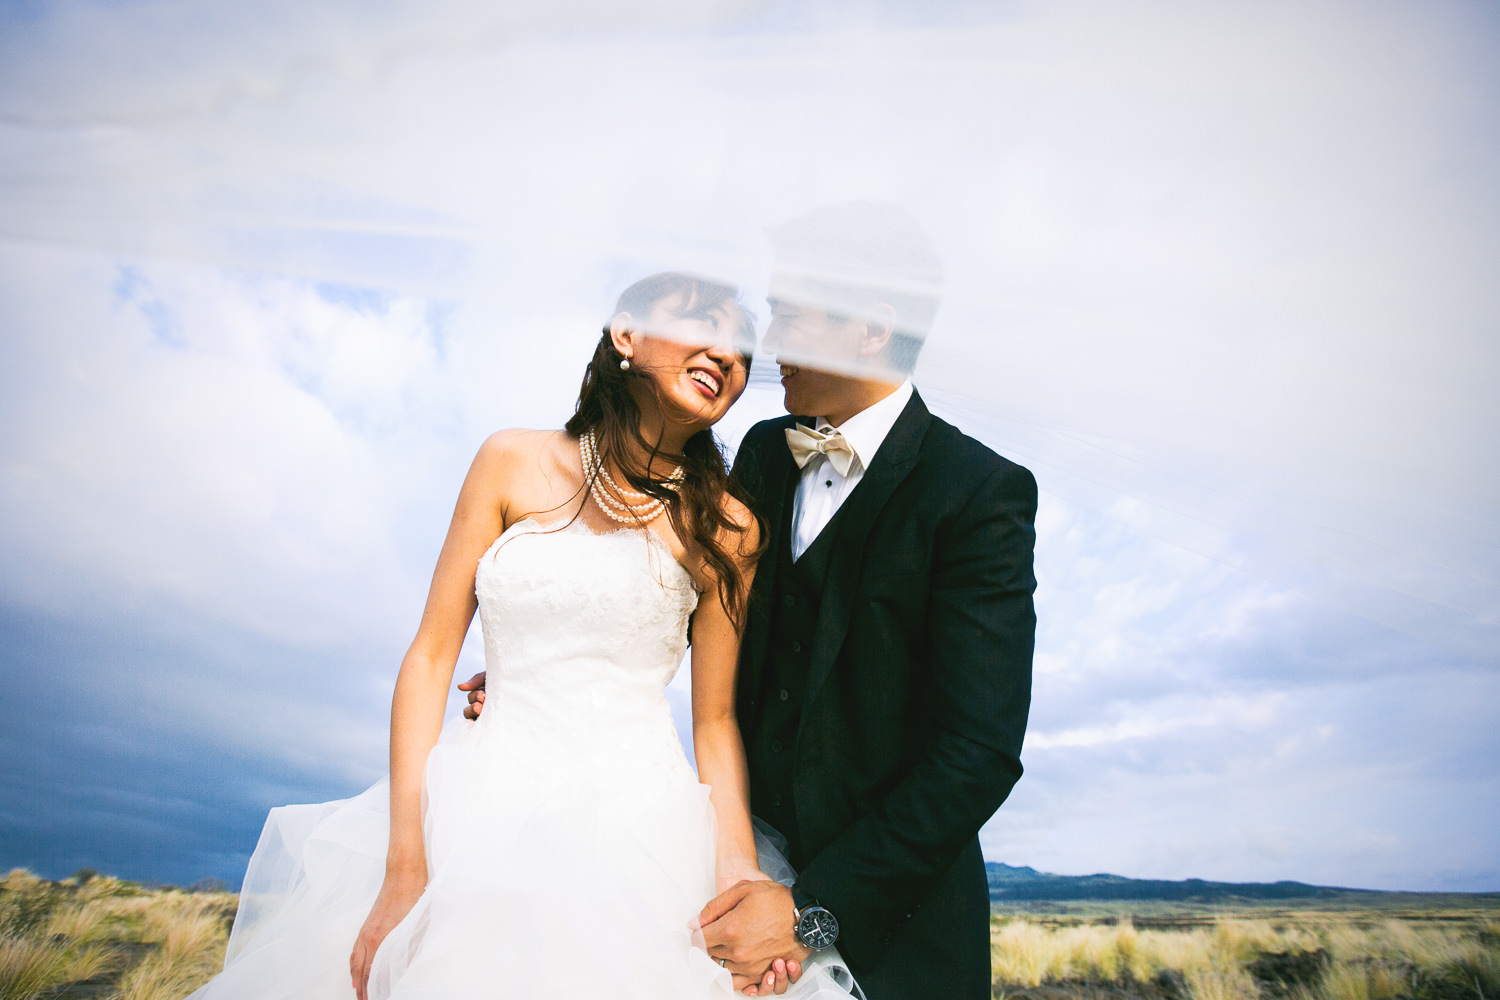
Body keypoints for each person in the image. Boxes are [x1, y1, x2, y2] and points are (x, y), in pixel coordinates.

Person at [188, 273, 860, 1000]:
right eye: (701, 321)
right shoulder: (509, 461)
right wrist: (407, 864)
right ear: (625, 337)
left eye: (740, 349)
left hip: (643, 835)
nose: (725, 354)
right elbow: (430, 656)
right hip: (478, 810)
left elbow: (715, 720)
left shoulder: (730, 528)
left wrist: (733, 864)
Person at [468, 203, 1038, 999]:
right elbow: (681, 598)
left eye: (789, 316)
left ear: (870, 327)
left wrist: (809, 914)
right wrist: (563, 666)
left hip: (890, 932)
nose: (766, 348)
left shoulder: (979, 494)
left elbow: (975, 755)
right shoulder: (766, 453)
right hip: (719, 881)